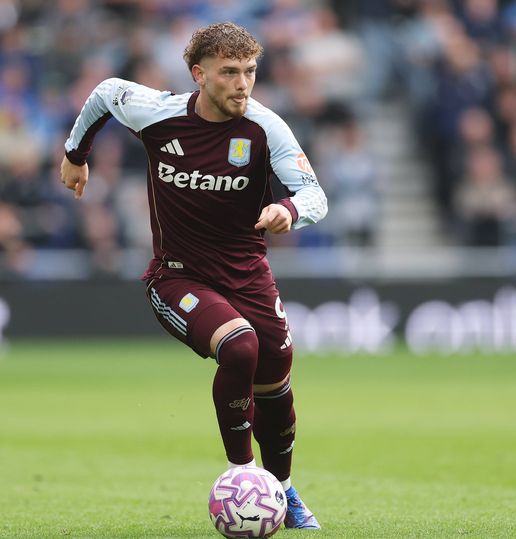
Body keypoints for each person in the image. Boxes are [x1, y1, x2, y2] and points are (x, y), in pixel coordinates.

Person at [60, 22, 327, 529]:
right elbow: (105, 93)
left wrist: (289, 209)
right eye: (229, 72)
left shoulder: (266, 128)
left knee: (275, 379)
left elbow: (315, 194)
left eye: (250, 71)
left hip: (249, 276)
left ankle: (283, 489)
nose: (243, 84)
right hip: (177, 277)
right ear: (199, 75)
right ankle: (243, 478)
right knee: (240, 347)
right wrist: (76, 155)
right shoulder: (158, 114)